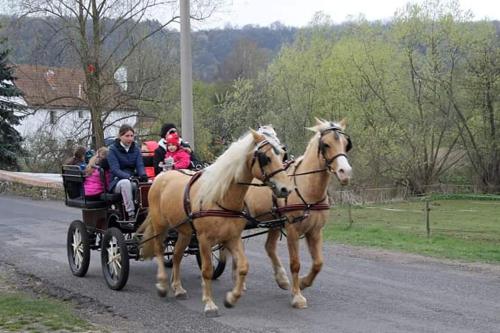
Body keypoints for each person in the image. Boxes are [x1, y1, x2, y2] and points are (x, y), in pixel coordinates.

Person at [107, 124, 147, 220]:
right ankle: (131, 213)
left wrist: (143, 175)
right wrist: (128, 176)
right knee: (126, 183)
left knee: (146, 184)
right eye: (127, 136)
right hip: (117, 181)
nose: (130, 138)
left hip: (133, 179)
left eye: (132, 136)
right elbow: (115, 169)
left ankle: (145, 211)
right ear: (120, 136)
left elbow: (140, 165)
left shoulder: (136, 149)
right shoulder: (112, 150)